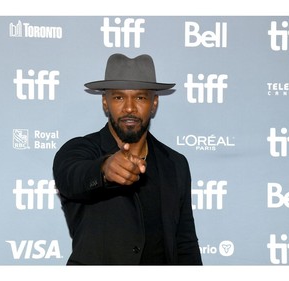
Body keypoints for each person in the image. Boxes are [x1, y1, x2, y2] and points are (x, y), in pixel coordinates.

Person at [53, 53, 203, 265]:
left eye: (140, 97)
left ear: (154, 103)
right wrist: (105, 170)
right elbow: (72, 177)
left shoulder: (175, 163)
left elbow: (185, 243)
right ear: (105, 103)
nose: (130, 108)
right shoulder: (79, 151)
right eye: (119, 97)